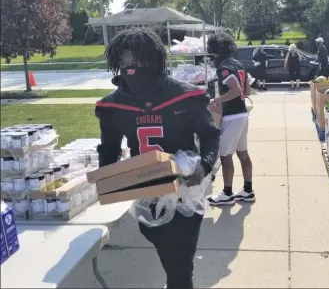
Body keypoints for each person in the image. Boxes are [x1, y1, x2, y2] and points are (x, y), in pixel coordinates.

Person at [95, 29, 220, 289]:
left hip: (184, 192)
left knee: (179, 269)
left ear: (154, 61)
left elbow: (210, 135)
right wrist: (106, 179)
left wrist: (204, 165)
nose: (131, 68)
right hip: (146, 193)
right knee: (167, 253)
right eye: (124, 62)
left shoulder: (186, 95)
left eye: (137, 62)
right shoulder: (112, 105)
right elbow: (108, 150)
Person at [206, 32, 254, 206]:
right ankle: (247, 190)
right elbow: (247, 92)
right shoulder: (239, 64)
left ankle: (227, 193)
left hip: (232, 117)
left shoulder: (224, 67)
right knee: (243, 153)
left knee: (225, 155)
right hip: (243, 114)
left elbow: (235, 90)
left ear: (216, 52)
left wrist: (216, 101)